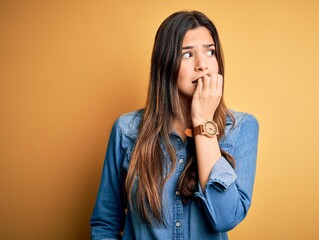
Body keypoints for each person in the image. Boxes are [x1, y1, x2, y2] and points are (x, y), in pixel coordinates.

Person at [90, 10, 259, 240]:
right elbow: (105, 224)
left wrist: (203, 124)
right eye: (187, 55)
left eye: (210, 52)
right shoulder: (126, 130)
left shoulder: (240, 128)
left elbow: (226, 217)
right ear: (166, 64)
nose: (203, 65)